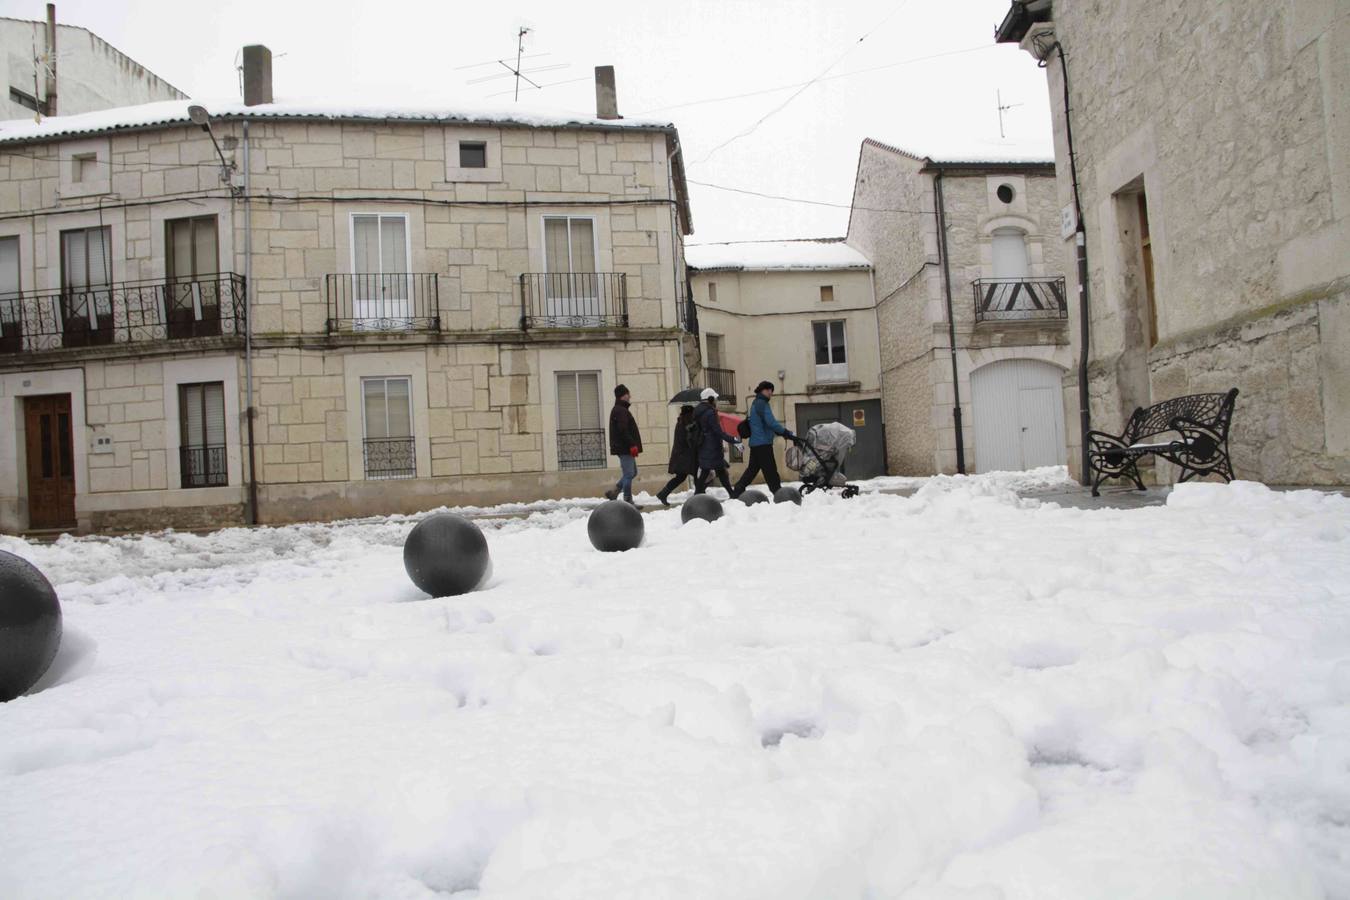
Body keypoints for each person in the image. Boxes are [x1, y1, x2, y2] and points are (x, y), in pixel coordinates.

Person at [731, 380, 796, 498]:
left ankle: (737, 491)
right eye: (769, 390)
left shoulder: (756, 402)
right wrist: (785, 432)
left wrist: (779, 432)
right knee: (770, 471)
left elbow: (764, 424)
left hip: (757, 443)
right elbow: (771, 422)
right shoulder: (762, 403)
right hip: (763, 444)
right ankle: (779, 494)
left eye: (772, 390)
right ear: (763, 390)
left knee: (752, 471)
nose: (771, 393)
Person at [693, 388, 740, 495]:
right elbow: (718, 431)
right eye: (715, 399)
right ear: (710, 399)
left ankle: (698, 494)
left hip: (704, 445)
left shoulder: (698, 411)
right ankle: (731, 494)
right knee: (717, 471)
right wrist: (733, 440)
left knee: (712, 471)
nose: (716, 401)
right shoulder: (710, 412)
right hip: (712, 447)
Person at [605, 384, 642, 504]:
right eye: (628, 394)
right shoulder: (620, 410)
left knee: (632, 472)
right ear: (622, 396)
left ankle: (614, 493)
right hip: (625, 448)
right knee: (629, 474)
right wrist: (632, 444)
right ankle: (628, 501)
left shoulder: (620, 409)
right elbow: (623, 430)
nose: (630, 396)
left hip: (624, 447)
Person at [655, 405, 697, 507]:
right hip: (685, 456)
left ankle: (663, 494)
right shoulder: (686, 423)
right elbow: (688, 440)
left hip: (681, 455)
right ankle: (699, 495)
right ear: (690, 413)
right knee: (696, 474)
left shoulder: (682, 422)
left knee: (682, 477)